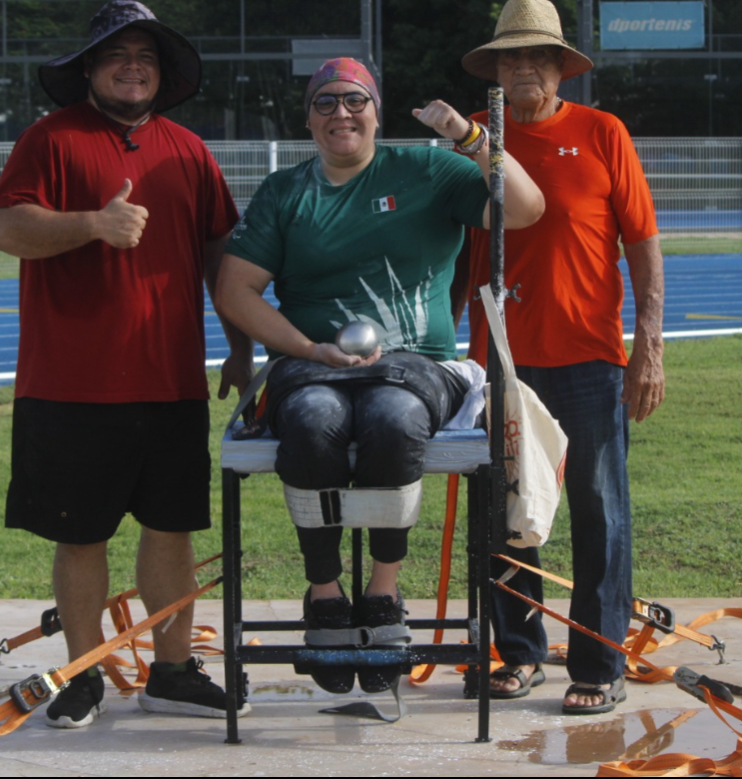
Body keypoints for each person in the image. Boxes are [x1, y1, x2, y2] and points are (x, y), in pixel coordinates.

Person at [215, 57, 543, 696]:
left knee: (393, 420)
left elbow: (526, 208)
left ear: (377, 109)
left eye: (355, 100)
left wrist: (474, 140)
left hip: (417, 359)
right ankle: (326, 595)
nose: (342, 114)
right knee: (313, 423)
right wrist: (308, 348)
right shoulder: (287, 191)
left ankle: (384, 595)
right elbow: (235, 290)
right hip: (312, 365)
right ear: (308, 117)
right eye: (325, 103)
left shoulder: (429, 169)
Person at [0, 0, 253, 728]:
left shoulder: (189, 150)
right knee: (81, 536)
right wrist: (92, 225)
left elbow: (217, 257)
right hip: (70, 381)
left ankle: (170, 670)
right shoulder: (50, 139)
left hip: (169, 379)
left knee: (172, 530)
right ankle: (82, 674)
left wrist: (238, 345)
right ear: (89, 68)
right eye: (117, 54)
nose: (132, 66)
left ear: (161, 74)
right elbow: (6, 228)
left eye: (146, 56)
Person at [454, 0, 665, 714]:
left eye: (535, 57)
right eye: (509, 57)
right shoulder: (474, 140)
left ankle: (597, 660)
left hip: (588, 358)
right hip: (500, 359)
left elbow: (641, 243)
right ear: (494, 69)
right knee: (504, 510)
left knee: (597, 508)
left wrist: (649, 348)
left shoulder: (601, 133)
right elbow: (452, 250)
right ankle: (516, 652)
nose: (521, 68)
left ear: (558, 68)